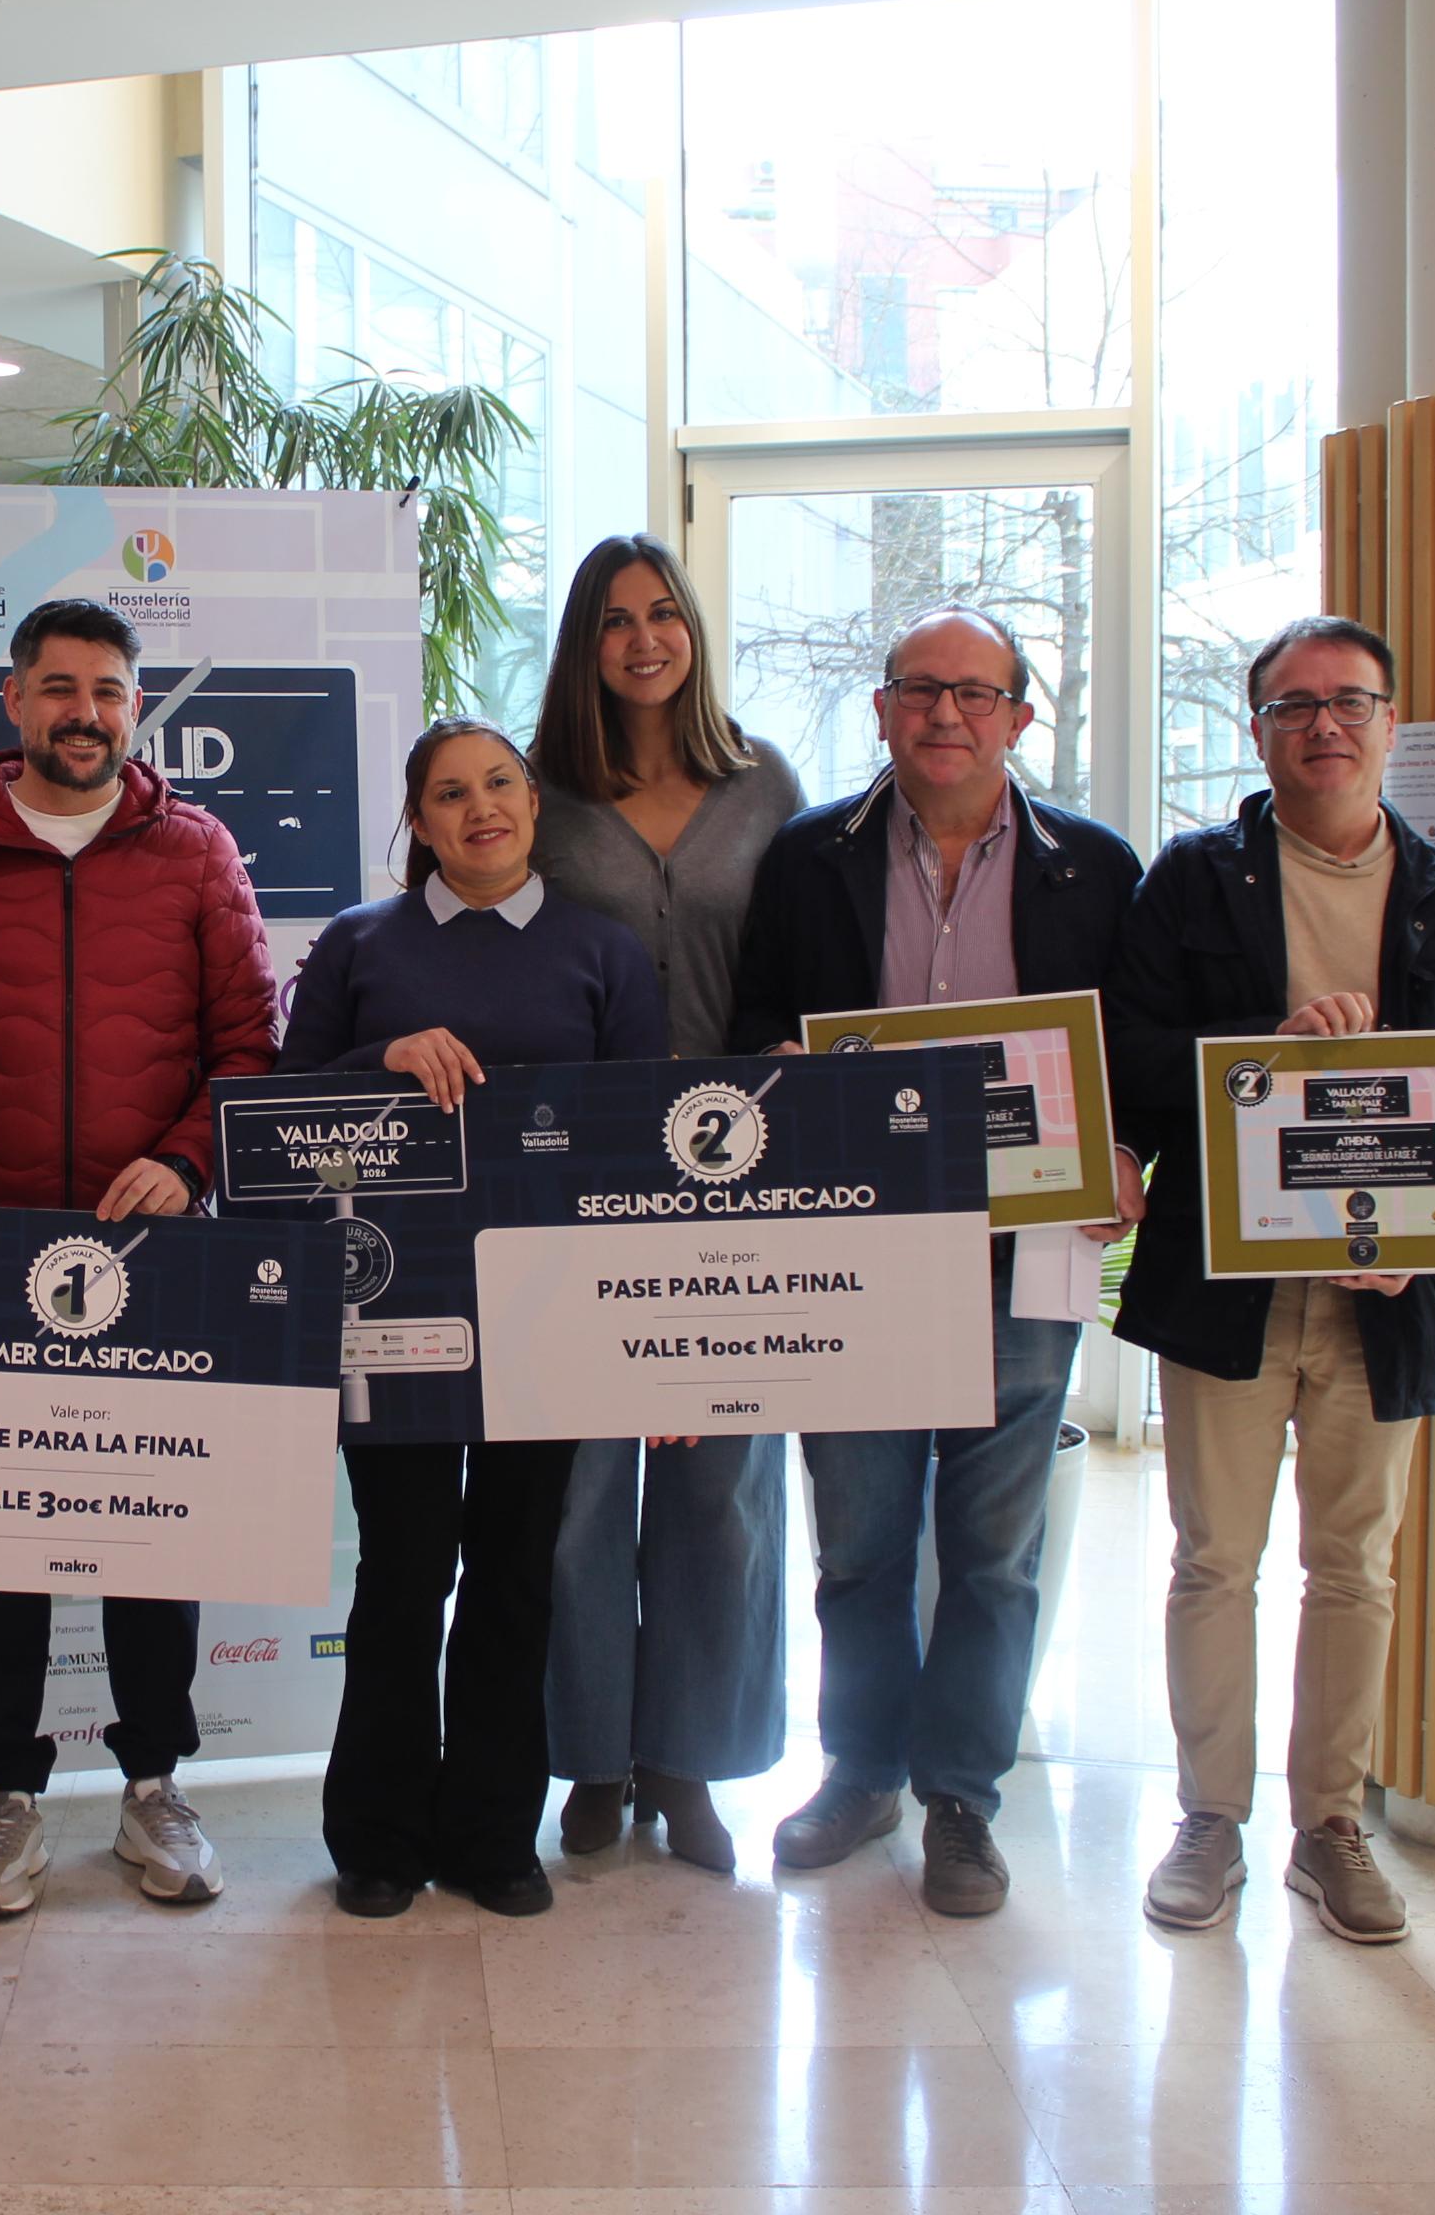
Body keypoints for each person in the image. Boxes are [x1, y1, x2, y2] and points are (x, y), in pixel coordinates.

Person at [0, 596, 280, 1918]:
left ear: (136, 709)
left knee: (151, 1530)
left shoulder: (197, 852)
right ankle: (7, 1797)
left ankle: (154, 1787)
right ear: (15, 700)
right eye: (61, 687)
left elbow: (247, 1047)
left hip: (156, 1249)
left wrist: (189, 1163)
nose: (86, 713)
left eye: (109, 692)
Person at [1107, 614, 1435, 1945]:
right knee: (1213, 1561)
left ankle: (1331, 1825)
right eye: (1293, 706)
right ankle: (1209, 1819)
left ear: (1390, 724)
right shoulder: (1195, 879)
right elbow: (1130, 1058)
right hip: (1226, 1283)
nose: (1324, 727)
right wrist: (1272, 1043)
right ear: (1257, 733)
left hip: (1387, 1294)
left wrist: (1432, 1231)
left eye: (1349, 702)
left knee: (1355, 1564)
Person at [726, 607, 1146, 1917]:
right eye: (921, 689)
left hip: (1028, 1247)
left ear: (1021, 716)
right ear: (883, 709)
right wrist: (776, 1074)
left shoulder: (1096, 867)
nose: (946, 714)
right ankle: (860, 1771)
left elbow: (1135, 1045)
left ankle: (962, 1796)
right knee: (858, 1539)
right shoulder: (809, 858)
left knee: (994, 1548)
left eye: (976, 693)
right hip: (856, 1248)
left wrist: (1128, 1145)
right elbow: (754, 1021)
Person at [280, 717, 666, 1917]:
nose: (480, 808)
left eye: (500, 784)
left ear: (535, 804)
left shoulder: (605, 953)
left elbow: (645, 1147)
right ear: (418, 820)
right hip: (389, 1316)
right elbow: (278, 1121)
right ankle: (378, 1838)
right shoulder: (358, 945)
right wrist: (380, 1060)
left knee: (515, 1570)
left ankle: (496, 1836)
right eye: (450, 793)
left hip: (552, 1317)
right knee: (402, 1571)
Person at [525, 533, 807, 1871]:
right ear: (585, 646)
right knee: (577, 1489)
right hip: (576, 1178)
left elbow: (807, 963)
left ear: (692, 629)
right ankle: (590, 1757)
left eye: (663, 615)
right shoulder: (535, 793)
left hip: (741, 1177)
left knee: (723, 1488)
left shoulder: (765, 785)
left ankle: (688, 1760)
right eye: (615, 621)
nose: (644, 640)